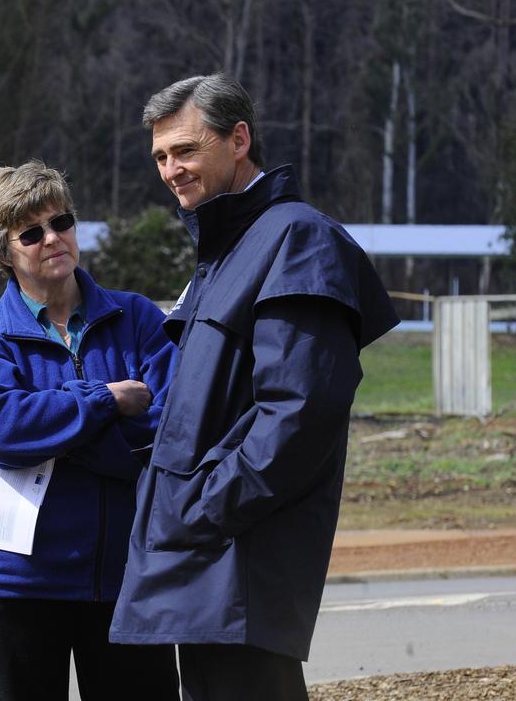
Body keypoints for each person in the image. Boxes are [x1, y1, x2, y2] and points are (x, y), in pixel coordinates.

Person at [108, 74, 400, 700]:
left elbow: (300, 413)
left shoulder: (297, 239)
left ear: (239, 139)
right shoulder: (227, 249)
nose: (171, 170)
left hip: (239, 562)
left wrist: (203, 505)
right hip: (201, 561)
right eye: (160, 156)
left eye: (185, 150)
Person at [0, 160, 180, 701]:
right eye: (31, 232)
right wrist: (105, 399)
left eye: (63, 221)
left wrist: (55, 438)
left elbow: (170, 428)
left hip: (125, 581)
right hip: (12, 588)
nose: (53, 238)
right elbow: (4, 433)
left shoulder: (139, 319)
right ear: (3, 251)